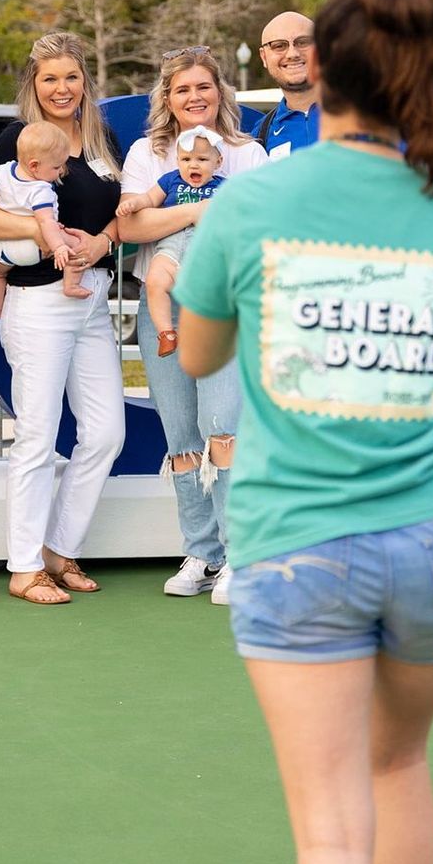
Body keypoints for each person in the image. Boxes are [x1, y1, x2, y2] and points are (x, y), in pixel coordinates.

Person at [175, 0, 433, 864]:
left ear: (325, 78)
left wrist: (189, 296)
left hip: (297, 545)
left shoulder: (252, 204)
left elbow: (201, 357)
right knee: (399, 763)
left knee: (330, 835)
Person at [0, 33, 126, 606]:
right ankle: (24, 566)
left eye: (72, 77)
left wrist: (101, 244)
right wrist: (44, 232)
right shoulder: (18, 141)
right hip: (37, 304)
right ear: (33, 85)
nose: (62, 89)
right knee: (37, 435)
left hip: (91, 298)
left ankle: (59, 550)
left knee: (107, 432)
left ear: (86, 81)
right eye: (49, 79)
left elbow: (123, 217)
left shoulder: (104, 141)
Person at [117, 47, 267, 602]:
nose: (194, 97)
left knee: (223, 428)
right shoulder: (144, 154)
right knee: (180, 435)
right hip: (166, 311)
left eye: (204, 86)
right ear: (168, 99)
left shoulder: (246, 154)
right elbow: (131, 226)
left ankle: (237, 556)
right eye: (183, 89)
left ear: (219, 92)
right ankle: (201, 551)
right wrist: (198, 211)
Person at [118, 125, 225, 354]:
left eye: (202, 159)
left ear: (218, 162)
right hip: (169, 247)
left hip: (202, 251)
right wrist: (133, 204)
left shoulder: (223, 187)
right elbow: (148, 198)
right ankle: (166, 332)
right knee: (155, 281)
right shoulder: (170, 180)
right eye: (185, 159)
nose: (193, 165)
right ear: (177, 160)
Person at [0, 119, 90, 316]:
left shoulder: (3, 171)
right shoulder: (40, 189)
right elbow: (45, 222)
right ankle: (70, 283)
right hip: (34, 248)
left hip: (3, 247)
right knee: (77, 243)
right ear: (34, 165)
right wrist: (59, 246)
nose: (61, 171)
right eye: (56, 167)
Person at [256, 9, 319, 155]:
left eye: (303, 42)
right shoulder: (259, 138)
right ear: (264, 57)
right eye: (279, 46)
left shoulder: (364, 114)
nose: (293, 54)